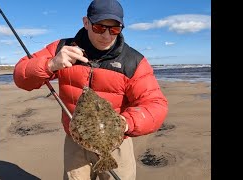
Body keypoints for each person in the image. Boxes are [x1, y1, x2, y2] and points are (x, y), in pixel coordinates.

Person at [13, 0, 168, 179]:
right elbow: (21, 77)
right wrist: (51, 64)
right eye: (100, 28)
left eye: (115, 29)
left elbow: (155, 104)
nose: (107, 35)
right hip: (76, 138)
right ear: (86, 22)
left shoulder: (133, 62)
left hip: (117, 142)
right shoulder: (62, 49)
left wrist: (125, 123)